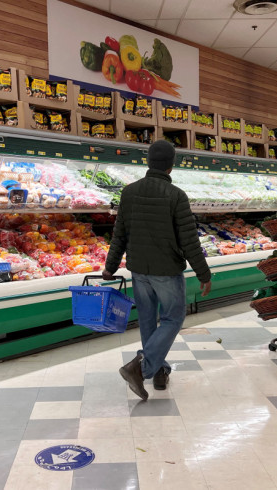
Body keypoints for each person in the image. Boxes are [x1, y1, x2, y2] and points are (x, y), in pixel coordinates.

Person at [103, 140, 212, 401]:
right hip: (166, 270)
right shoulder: (176, 196)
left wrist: (110, 266)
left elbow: (119, 234)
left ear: (148, 163)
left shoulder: (129, 192)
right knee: (173, 319)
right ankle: (140, 367)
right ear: (171, 167)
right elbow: (189, 241)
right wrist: (204, 274)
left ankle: (159, 369)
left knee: (148, 322)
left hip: (139, 269)